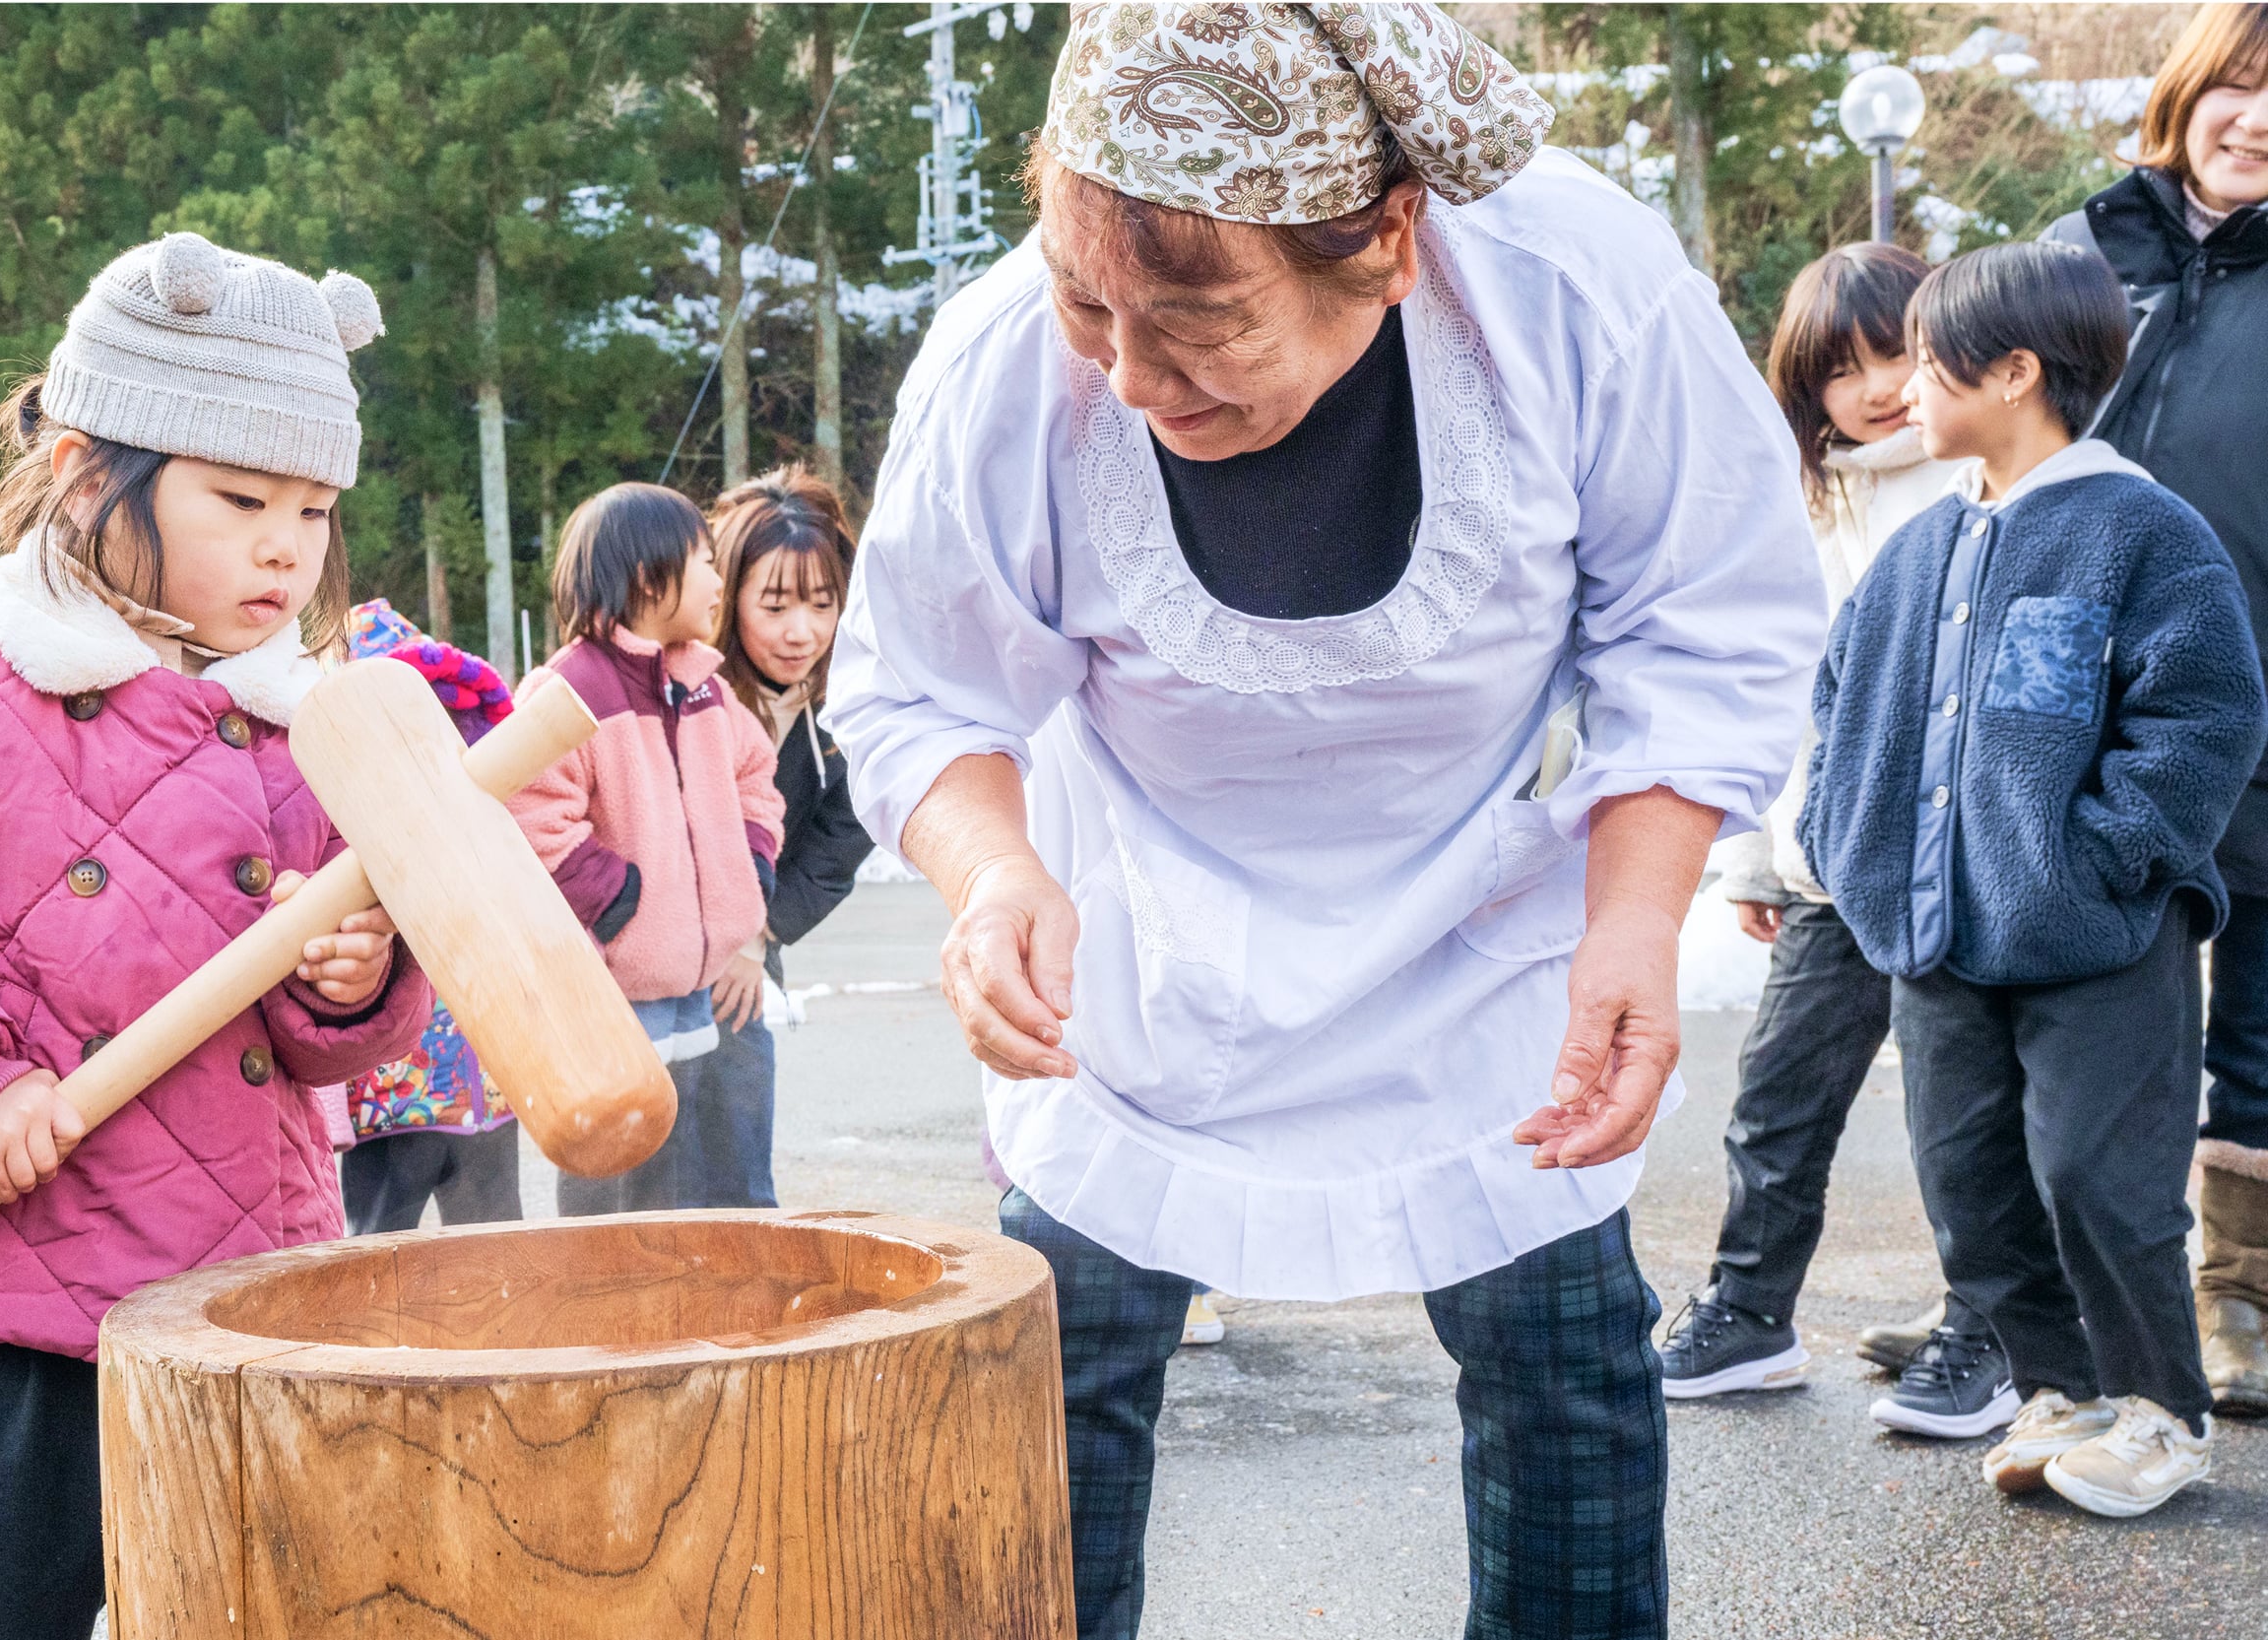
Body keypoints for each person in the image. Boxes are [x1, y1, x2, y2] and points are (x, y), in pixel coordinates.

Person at [827, 7, 1823, 1635]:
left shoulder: (1575, 289)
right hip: (1138, 925)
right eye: (1091, 301)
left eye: (1200, 320)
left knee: (1565, 1370)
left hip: (1489, 925)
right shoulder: (1011, 353)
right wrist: (992, 869)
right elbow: (923, 682)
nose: (1135, 377)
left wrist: (1638, 913)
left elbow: (1700, 622)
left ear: (1390, 242)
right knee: (1049, 1386)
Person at [0, 233, 429, 1638]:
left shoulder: (314, 716)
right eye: (241, 498)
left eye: (313, 507)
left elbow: (316, 1030)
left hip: (245, 1293)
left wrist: (356, 981)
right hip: (12, 1284)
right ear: (81, 472)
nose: (287, 547)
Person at [1800, 240, 2265, 1518]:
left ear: (2011, 370)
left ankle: (2160, 1412)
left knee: (2098, 1182)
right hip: (1938, 945)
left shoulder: (2141, 530)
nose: (1900, 388)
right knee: (1970, 1182)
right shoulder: (1918, 546)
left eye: (1926, 360)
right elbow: (1840, 711)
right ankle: (2058, 1390)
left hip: (2099, 939)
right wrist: (1856, 851)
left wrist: (2103, 861)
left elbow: (2207, 715)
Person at [1660, 243, 1979, 1407]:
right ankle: (1748, 1309)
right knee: (1779, 1098)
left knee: (1967, 1117)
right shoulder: (1799, 497)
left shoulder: (1981, 478)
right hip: (1831, 870)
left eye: (1897, 351)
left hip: (1962, 869)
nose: (1878, 386)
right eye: (1841, 368)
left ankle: (1984, 1322)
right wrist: (1752, 854)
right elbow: (1777, 692)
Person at [2046, 1, 2268, 1418]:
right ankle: (2035, 1303)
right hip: (2075, 702)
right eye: (2240, 87)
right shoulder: (2079, 251)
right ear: (2188, 95)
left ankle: (2239, 1299)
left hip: (2260, 704)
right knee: (2079, 1005)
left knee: (2258, 1021)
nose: (2256, 119)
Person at [509, 483, 784, 1214]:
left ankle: (687, 1313)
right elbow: (527, 816)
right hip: (617, 991)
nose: (718, 579)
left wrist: (746, 871)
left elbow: (758, 777)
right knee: (612, 1170)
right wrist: (618, 905)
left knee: (690, 1169)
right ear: (645, 576)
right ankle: (601, 1314)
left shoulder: (703, 685)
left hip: (700, 983)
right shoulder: (567, 689)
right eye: (703, 560)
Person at [702, 466, 873, 1207]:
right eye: (774, 604)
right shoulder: (687, 688)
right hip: (646, 954)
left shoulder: (854, 704)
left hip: (747, 954)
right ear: (726, 593)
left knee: (740, 1161)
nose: (800, 630)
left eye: (821, 603)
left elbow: (837, 849)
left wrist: (755, 938)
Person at [332, 600, 525, 1235]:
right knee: (379, 1257)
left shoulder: (480, 819)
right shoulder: (336, 831)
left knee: (501, 1253)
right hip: (391, 1098)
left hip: (487, 1088)